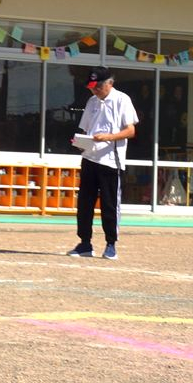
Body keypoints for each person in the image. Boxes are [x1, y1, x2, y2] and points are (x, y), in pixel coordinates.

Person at [67, 67, 138, 261]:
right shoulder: (92, 101)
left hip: (111, 161)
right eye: (92, 87)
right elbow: (85, 129)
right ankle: (85, 243)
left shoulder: (122, 100)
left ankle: (111, 244)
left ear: (110, 83)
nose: (95, 90)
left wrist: (108, 137)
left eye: (98, 86)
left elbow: (130, 131)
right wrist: (80, 143)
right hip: (90, 158)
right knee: (84, 203)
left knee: (109, 204)